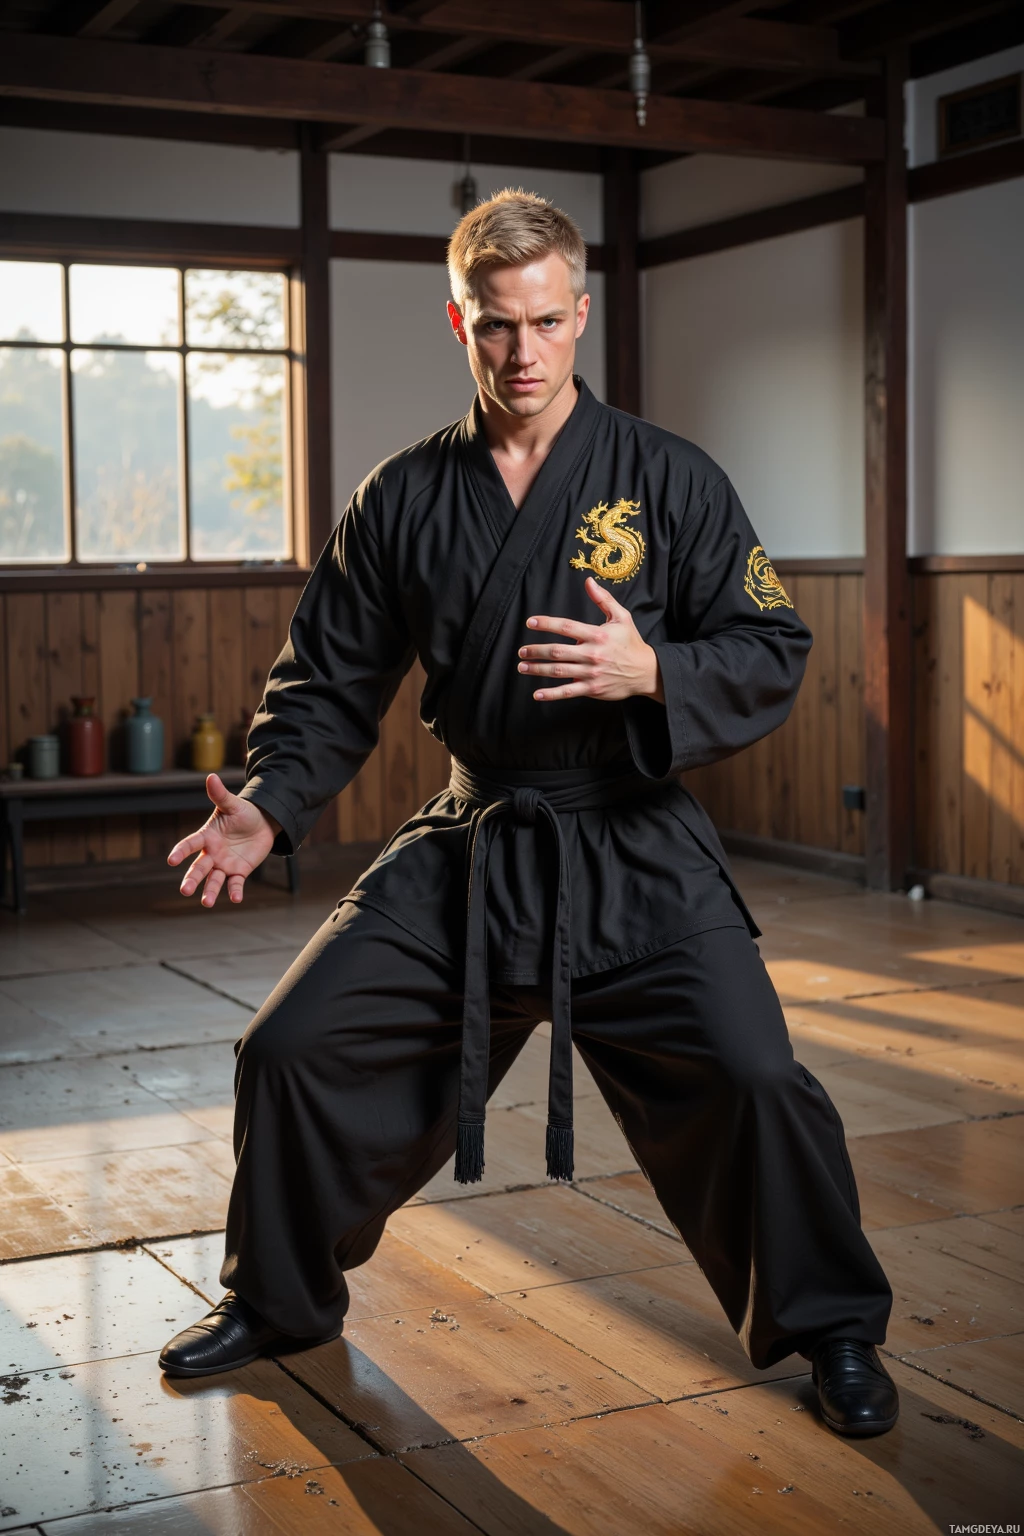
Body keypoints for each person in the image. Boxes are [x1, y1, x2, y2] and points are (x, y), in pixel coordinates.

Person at [159, 190, 897, 1438]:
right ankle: (278, 1300)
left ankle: (832, 1331)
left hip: (631, 835)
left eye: (548, 322)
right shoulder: (400, 496)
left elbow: (773, 640)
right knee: (286, 1050)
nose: (525, 352)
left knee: (759, 1077)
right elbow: (329, 680)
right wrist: (272, 806)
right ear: (461, 320)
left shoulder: (667, 477)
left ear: (581, 313)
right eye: (498, 326)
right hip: (478, 837)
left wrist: (659, 672)